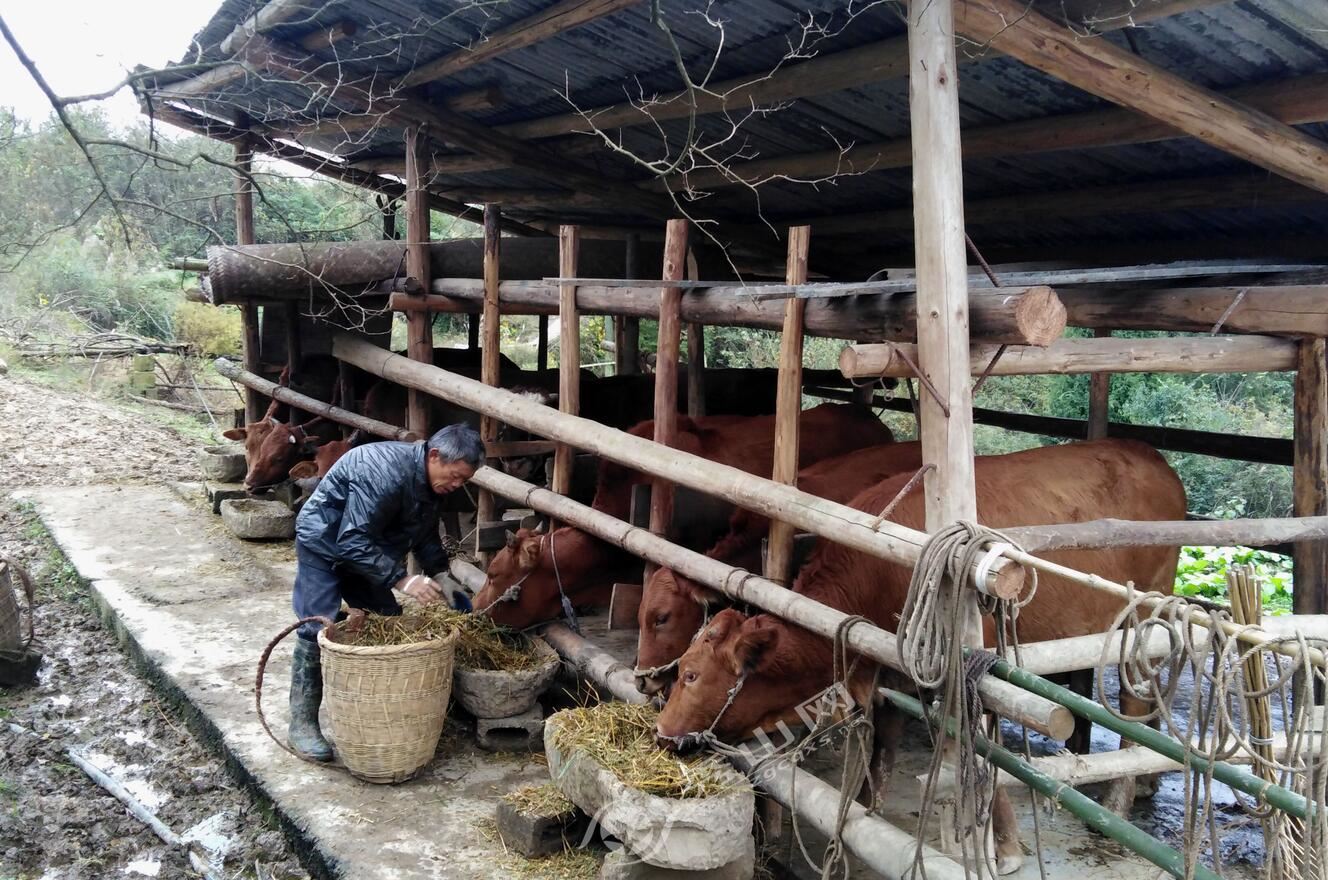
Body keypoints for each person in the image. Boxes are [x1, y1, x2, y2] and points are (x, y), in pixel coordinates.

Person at [286, 423, 484, 761]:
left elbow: (423, 533)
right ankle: (302, 724)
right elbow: (351, 540)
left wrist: (441, 574)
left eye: (464, 480)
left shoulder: (431, 483)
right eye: (455, 476)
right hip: (324, 543)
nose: (457, 485)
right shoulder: (381, 471)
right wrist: (402, 580)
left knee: (388, 622)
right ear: (434, 455)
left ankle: (375, 705)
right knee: (318, 626)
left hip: (367, 555)